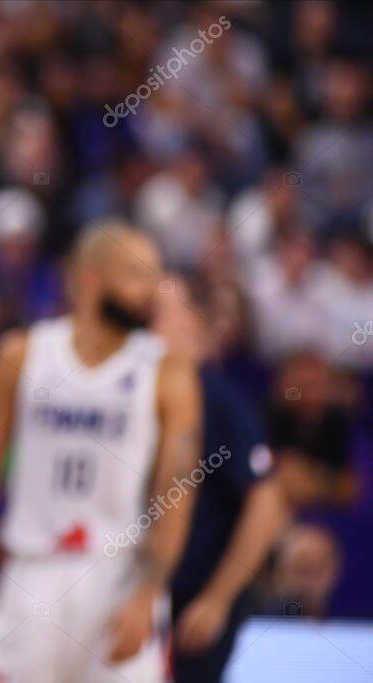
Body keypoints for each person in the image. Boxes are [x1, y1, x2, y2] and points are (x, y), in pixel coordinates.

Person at [0, 222, 202, 682]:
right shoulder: (21, 353)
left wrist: (150, 594)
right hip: (31, 568)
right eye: (137, 275)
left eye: (155, 275)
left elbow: (175, 492)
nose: (151, 290)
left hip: (119, 572)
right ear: (91, 279)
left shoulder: (168, 370)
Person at [153, 277, 288, 682]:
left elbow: (267, 501)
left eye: (157, 314)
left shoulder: (218, 398)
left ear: (194, 321)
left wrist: (217, 598)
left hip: (192, 599)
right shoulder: (138, 390)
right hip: (142, 595)